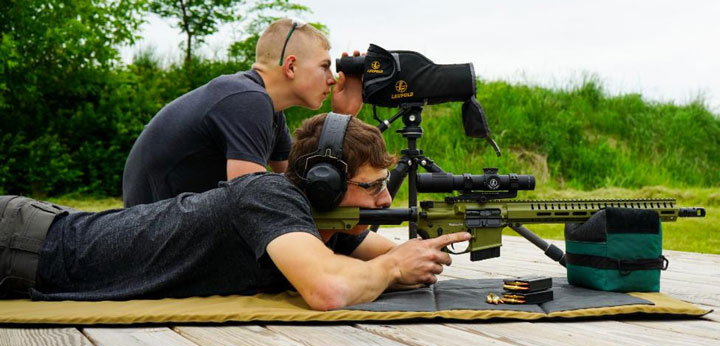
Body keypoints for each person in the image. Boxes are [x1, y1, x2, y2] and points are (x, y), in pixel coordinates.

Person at [1, 114, 470, 311]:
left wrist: (418, 255)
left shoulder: (324, 222)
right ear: (325, 186)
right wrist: (391, 266)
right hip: (24, 243)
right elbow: (329, 289)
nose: (385, 200)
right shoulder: (268, 195)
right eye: (370, 188)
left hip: (35, 245)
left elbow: (391, 258)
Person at [122, 18, 363, 207]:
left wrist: (342, 117)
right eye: (324, 66)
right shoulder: (247, 99)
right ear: (291, 66)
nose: (332, 79)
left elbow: (305, 182)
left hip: (168, 228)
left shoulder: (268, 110)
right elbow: (253, 201)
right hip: (157, 241)